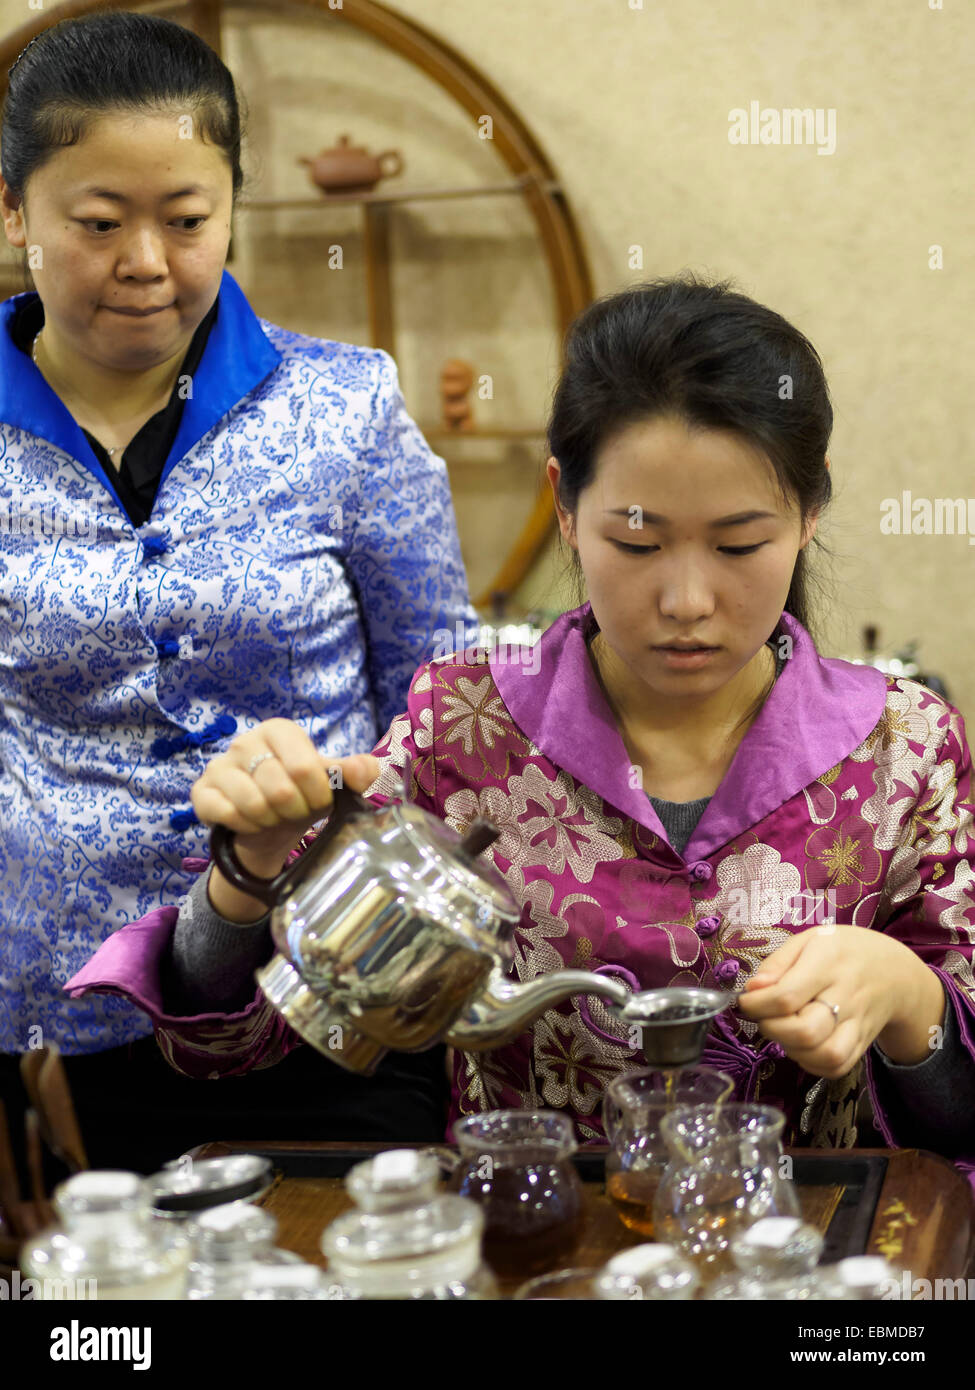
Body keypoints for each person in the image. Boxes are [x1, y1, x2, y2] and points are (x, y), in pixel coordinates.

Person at [68, 274, 975, 1187]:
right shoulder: (463, 724)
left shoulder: (903, 750)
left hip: (803, 1251)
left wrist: (906, 1001)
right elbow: (236, 1039)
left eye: (739, 546)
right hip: (530, 1241)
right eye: (637, 542)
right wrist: (249, 867)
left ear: (809, 515)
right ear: (566, 508)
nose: (688, 601)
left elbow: (961, 1117)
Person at [0, 12, 477, 1174]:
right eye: (99, 223)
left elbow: (447, 695)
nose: (147, 263)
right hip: (55, 1014)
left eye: (188, 220)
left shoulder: (347, 409)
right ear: (14, 211)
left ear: (233, 210)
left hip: (332, 989)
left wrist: (359, 787)